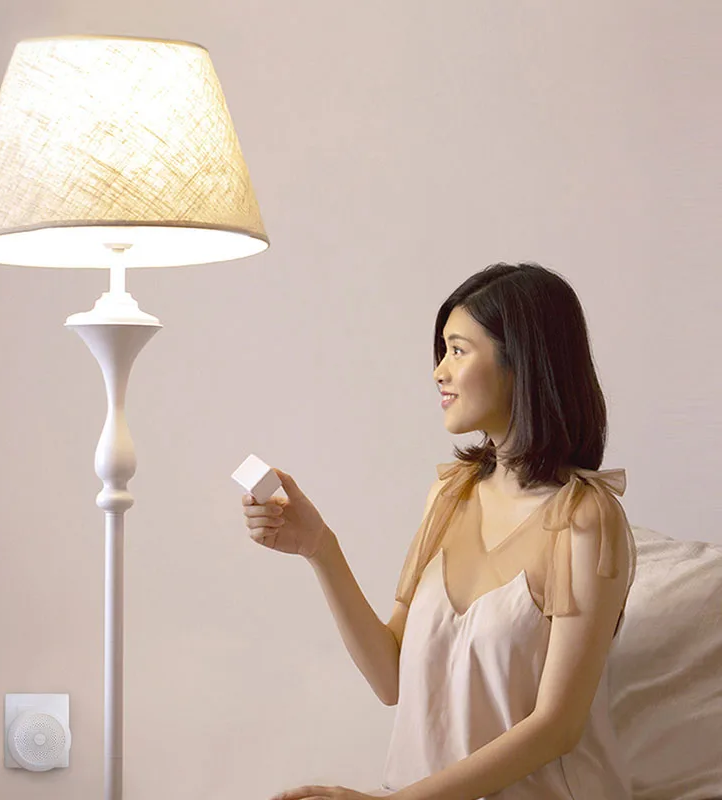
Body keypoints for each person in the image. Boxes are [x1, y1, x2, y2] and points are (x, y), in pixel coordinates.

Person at [242, 262, 637, 800]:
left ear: (522, 363)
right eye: (442, 351)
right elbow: (391, 679)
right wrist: (320, 548)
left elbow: (557, 727)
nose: (438, 372)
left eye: (458, 350)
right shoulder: (451, 495)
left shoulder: (585, 518)